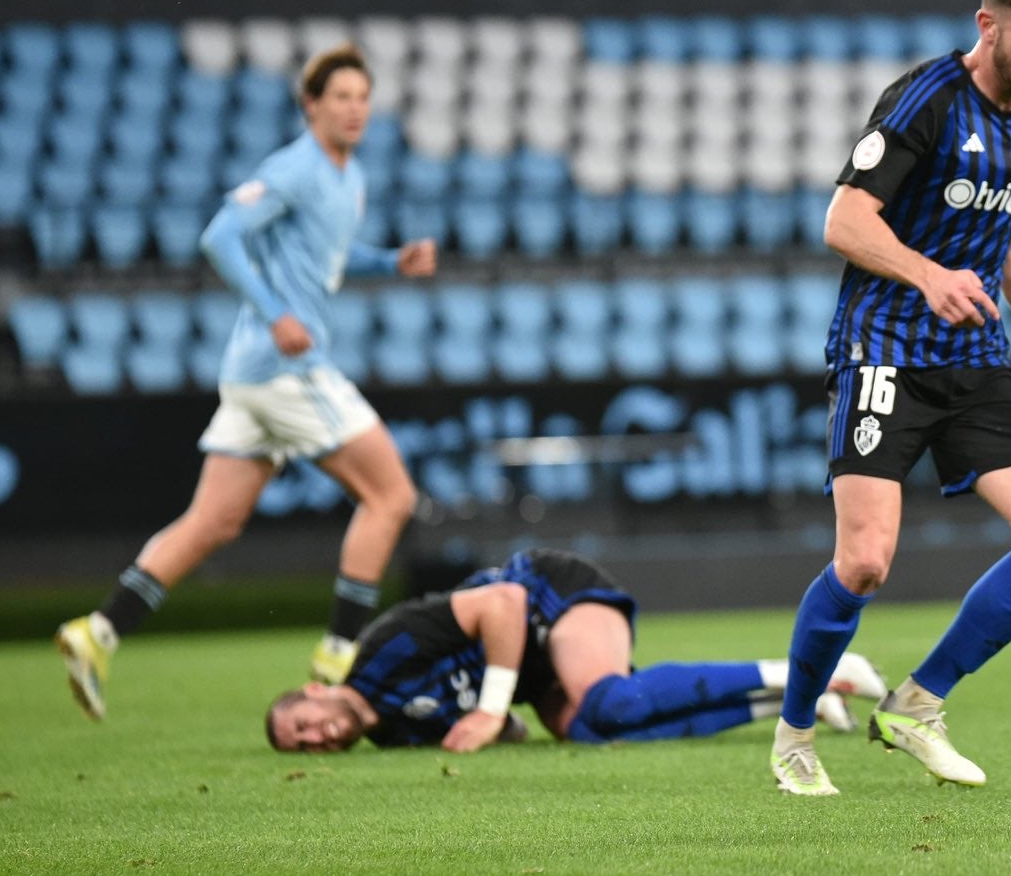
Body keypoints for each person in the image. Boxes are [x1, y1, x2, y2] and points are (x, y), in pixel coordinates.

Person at [768, 0, 1011, 796]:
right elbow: (844, 220)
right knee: (865, 563)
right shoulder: (926, 100)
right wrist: (927, 276)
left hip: (976, 359)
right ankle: (795, 736)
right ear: (988, 24)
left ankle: (917, 703)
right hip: (883, 352)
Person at [57, 41, 438, 720]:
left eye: (362, 97)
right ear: (311, 104)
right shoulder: (294, 168)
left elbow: (328, 255)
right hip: (285, 368)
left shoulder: (347, 174)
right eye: (340, 97)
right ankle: (339, 659)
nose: (354, 109)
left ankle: (99, 631)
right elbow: (220, 236)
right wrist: (274, 313)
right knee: (392, 496)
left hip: (251, 377)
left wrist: (389, 262)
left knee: (213, 522)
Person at [267, 549, 885, 751]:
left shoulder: (380, 650)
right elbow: (511, 731)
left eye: (302, 723)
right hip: (532, 672)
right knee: (588, 730)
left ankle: (822, 671)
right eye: (303, 745)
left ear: (315, 689)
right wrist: (499, 725)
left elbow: (503, 603)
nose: (314, 738)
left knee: (608, 703)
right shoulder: (393, 734)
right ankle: (804, 701)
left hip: (546, 597)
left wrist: (489, 710)